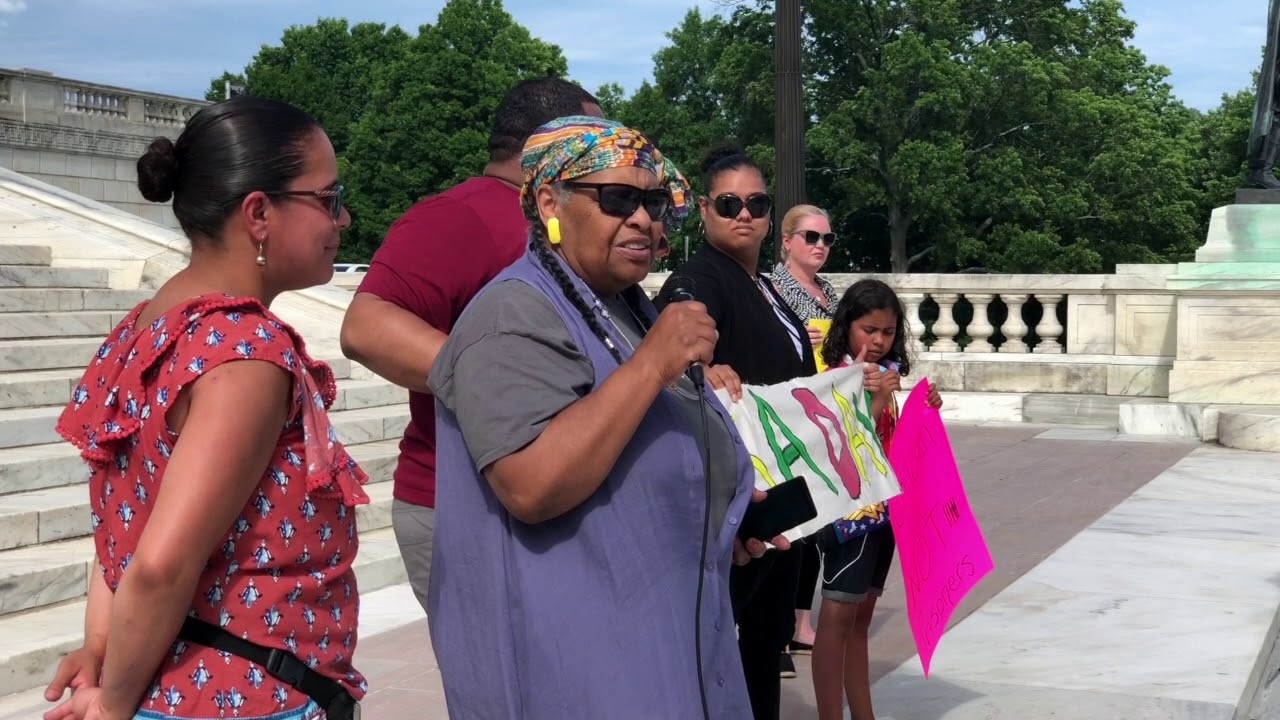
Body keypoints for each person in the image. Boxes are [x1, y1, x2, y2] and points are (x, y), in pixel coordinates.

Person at [426, 116, 788, 718]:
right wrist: (651, 366)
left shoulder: (624, 306)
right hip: (580, 666)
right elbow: (531, 483)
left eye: (652, 201)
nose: (644, 218)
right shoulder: (512, 314)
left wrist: (720, 512)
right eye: (618, 198)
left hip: (665, 639)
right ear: (550, 202)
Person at [46, 96, 366, 720]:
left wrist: (103, 645)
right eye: (328, 198)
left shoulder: (147, 325)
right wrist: (111, 705)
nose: (344, 219)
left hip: (181, 684)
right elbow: (161, 565)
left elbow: (126, 517)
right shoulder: (244, 355)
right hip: (244, 696)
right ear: (258, 213)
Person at [338, 78, 602, 613]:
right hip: (467, 504)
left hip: (545, 497)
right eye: (594, 140)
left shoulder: (561, 221)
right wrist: (503, 388)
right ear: (548, 143)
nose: (608, 157)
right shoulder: (460, 215)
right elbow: (365, 327)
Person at [657, 143, 816, 720]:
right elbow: (674, 322)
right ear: (703, 210)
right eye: (728, 203)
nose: (744, 213)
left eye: (756, 202)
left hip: (788, 489)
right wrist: (700, 367)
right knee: (727, 638)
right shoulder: (703, 277)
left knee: (766, 638)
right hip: (742, 491)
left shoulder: (768, 286)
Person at [810, 279, 942, 720]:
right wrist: (881, 396)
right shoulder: (833, 378)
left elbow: (895, 444)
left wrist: (926, 409)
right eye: (869, 329)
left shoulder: (884, 374)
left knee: (861, 617)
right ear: (847, 327)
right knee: (837, 614)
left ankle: (863, 714)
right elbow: (843, 445)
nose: (879, 340)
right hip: (850, 512)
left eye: (886, 331)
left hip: (887, 512)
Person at [768, 203, 840, 662]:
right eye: (811, 237)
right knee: (789, 523)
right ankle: (776, 626)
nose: (820, 246)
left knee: (820, 516)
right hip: (789, 413)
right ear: (787, 241)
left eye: (827, 239)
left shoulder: (829, 292)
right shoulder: (771, 288)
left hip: (824, 411)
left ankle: (800, 619)